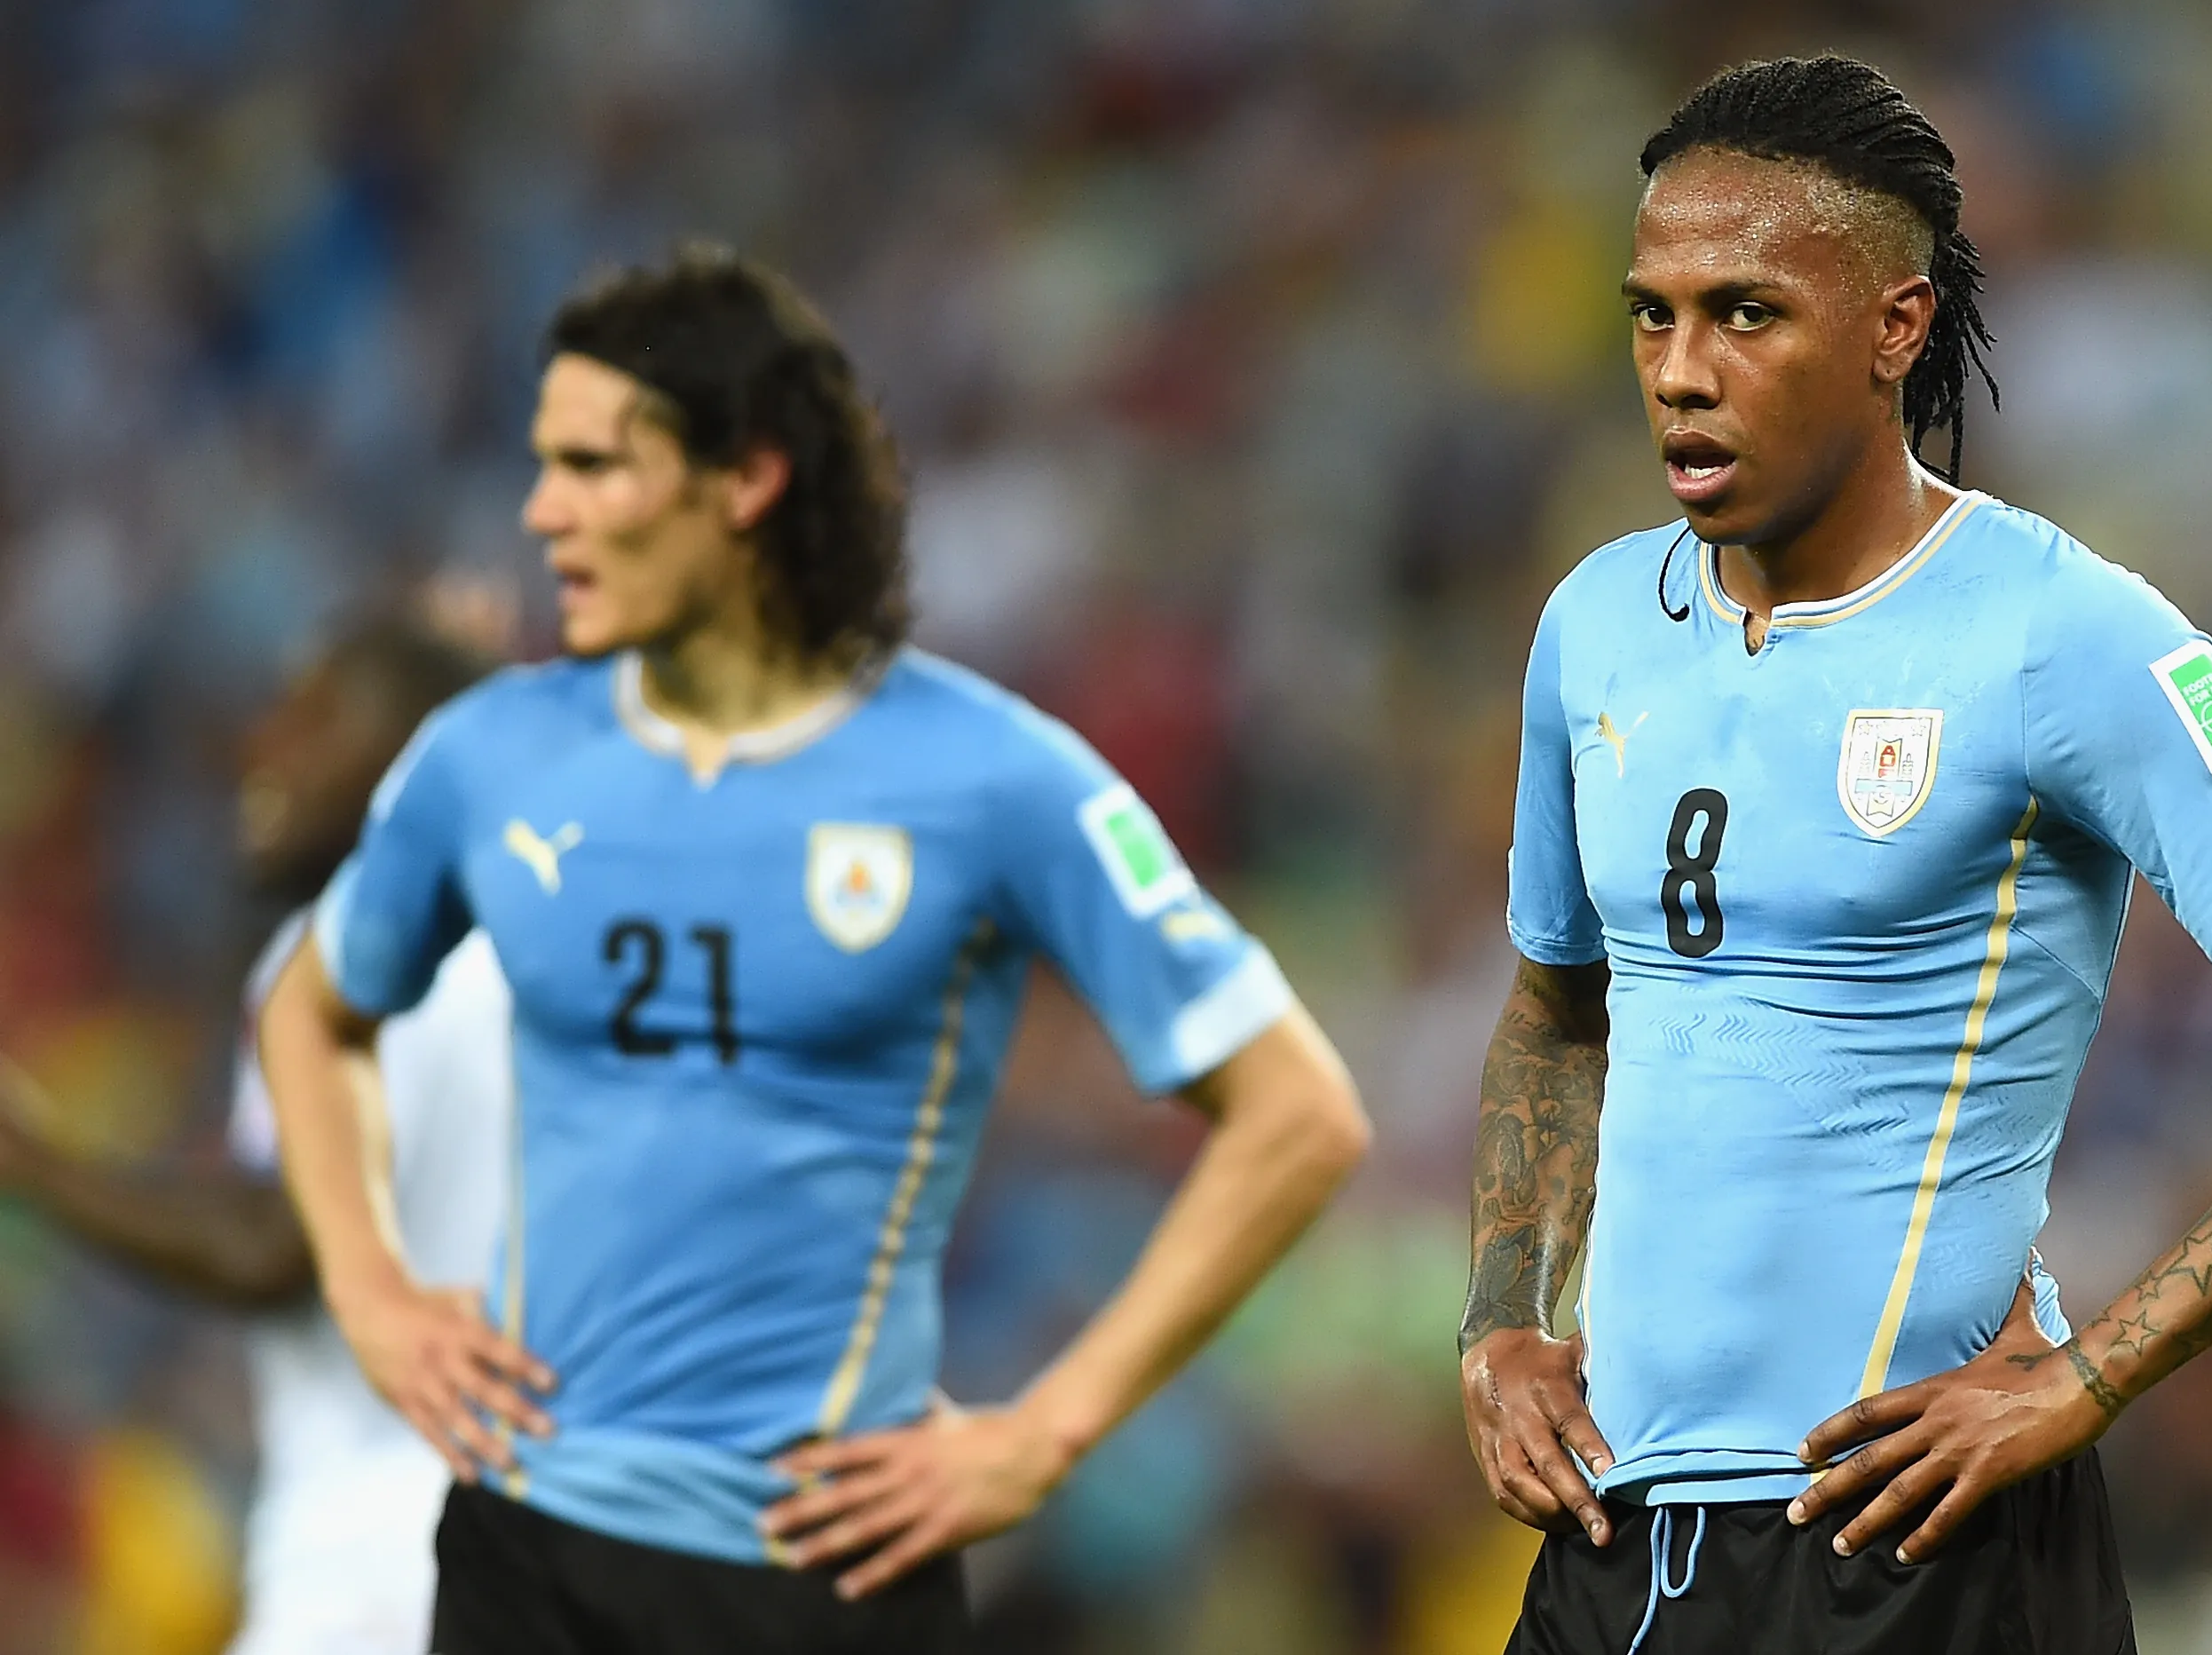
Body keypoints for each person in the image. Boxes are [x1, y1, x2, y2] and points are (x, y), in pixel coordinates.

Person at [1457, 55, 2212, 1655]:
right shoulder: (1592, 626)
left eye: (1745, 313)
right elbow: (1558, 1008)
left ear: (1894, 327)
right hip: (1618, 1538)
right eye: (1651, 313)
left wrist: (2095, 1373)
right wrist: (1506, 1317)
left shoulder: (2059, 634)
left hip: (1908, 1544)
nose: (1679, 368)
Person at [257, 249, 1371, 1652]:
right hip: (520, 1552)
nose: (544, 513)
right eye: (545, 464)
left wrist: (1043, 1431)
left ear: (747, 479)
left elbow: (1296, 1115)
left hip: (817, 1570)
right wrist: (371, 1293)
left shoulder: (995, 780)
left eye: (599, 467)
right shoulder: (489, 758)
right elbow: (310, 1010)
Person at [0, 619, 506, 1655]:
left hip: (380, 1558)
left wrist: (26, 1157)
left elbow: (276, 1243)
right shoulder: (518, 971)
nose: (264, 742)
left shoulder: (355, 951)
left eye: (319, 714)